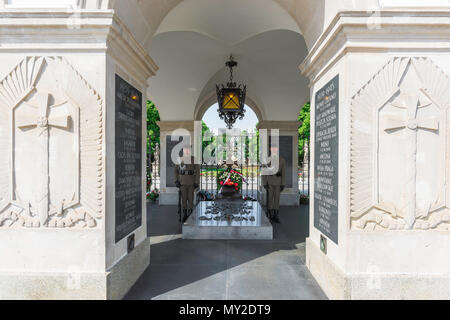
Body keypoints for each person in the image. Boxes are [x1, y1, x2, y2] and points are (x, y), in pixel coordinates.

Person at [174, 147, 200, 223]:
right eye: (185, 150)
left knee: (191, 199)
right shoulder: (179, 159)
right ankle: (185, 214)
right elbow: (175, 171)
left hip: (191, 183)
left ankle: (190, 214)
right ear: (183, 151)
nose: (187, 151)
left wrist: (196, 182)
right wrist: (176, 180)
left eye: (188, 150)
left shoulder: (194, 159)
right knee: (184, 199)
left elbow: (198, 171)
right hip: (182, 183)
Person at [262, 146, 286, 223]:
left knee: (277, 198)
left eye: (275, 148)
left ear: (277, 149)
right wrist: (264, 183)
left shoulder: (281, 160)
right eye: (272, 148)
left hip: (278, 182)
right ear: (270, 149)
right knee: (269, 199)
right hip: (269, 182)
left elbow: (283, 173)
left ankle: (276, 215)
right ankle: (269, 214)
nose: (274, 149)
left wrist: (283, 184)